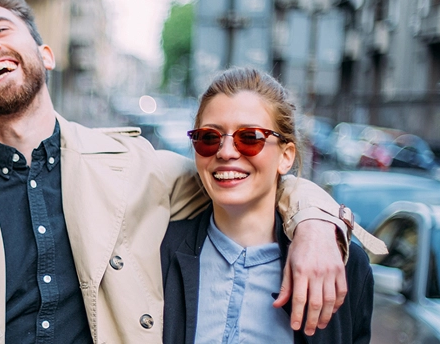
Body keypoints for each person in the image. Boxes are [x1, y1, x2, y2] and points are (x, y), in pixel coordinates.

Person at [0, 0, 355, 344]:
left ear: (45, 53)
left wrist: (313, 223)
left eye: (0, 29)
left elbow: (244, 173)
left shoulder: (137, 168)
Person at [161, 68, 380, 344]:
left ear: (286, 157)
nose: (226, 152)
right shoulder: (159, 251)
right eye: (209, 138)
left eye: (250, 137)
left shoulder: (344, 269)